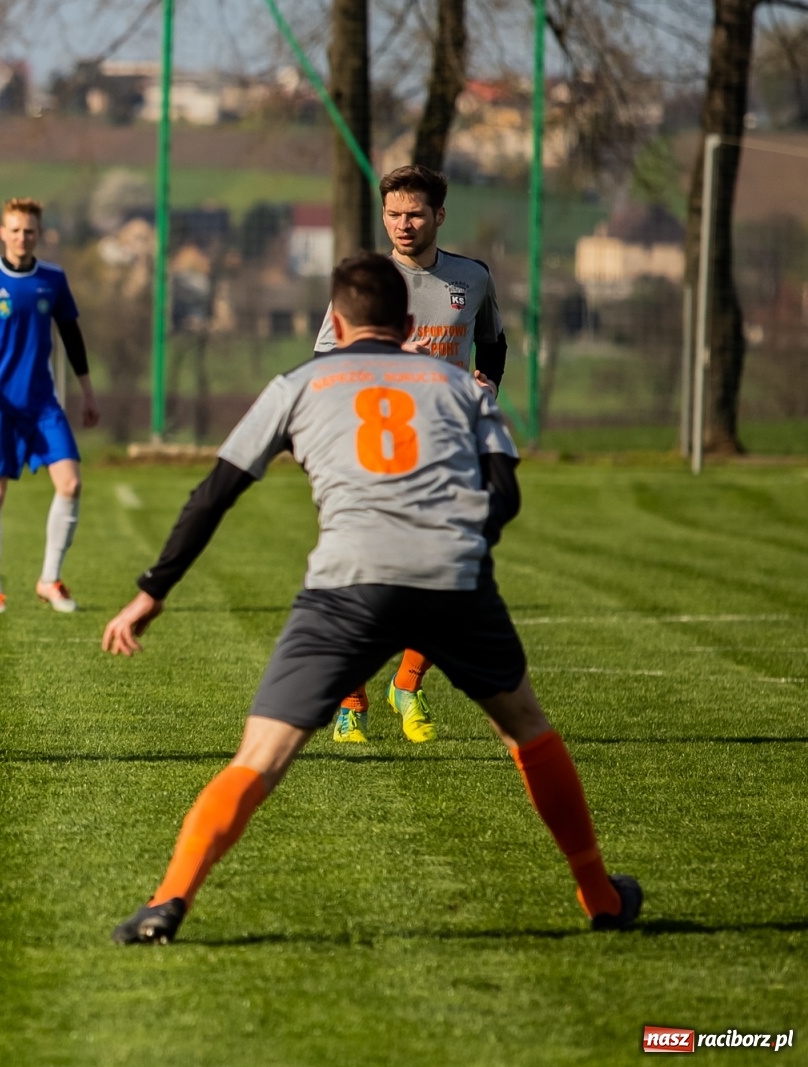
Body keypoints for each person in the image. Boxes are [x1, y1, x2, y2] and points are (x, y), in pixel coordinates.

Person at [103, 253, 640, 945]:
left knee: (259, 756)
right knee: (526, 727)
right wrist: (456, 546)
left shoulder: (298, 382)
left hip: (347, 583)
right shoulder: (460, 386)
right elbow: (504, 493)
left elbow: (214, 492)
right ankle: (599, 894)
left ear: (336, 320)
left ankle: (167, 902)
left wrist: (152, 591)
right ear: (410, 320)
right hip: (453, 578)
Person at [313, 164, 510, 745]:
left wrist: (487, 386)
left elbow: (494, 342)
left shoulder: (472, 278)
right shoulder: (363, 284)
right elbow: (326, 359)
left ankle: (406, 683)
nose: (403, 224)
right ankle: (351, 703)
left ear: (439, 216)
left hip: (446, 449)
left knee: (445, 577)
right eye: (394, 214)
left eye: (415, 213)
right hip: (371, 451)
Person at [0, 197, 100, 614]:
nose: (21, 237)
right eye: (14, 229)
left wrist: (87, 392)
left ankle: (50, 580)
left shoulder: (53, 278)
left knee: (71, 483)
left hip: (43, 405)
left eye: (29, 230)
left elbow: (72, 337)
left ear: (39, 233)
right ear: (2, 232)